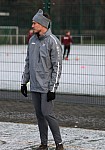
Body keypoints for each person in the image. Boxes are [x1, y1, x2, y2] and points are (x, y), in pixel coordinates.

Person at [21, 9, 64, 150]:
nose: (32, 25)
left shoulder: (53, 42)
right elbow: (28, 62)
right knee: (39, 115)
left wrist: (52, 89)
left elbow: (57, 67)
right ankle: (43, 144)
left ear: (42, 24)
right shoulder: (32, 40)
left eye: (34, 23)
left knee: (47, 114)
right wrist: (24, 82)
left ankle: (59, 144)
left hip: (46, 87)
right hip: (34, 86)